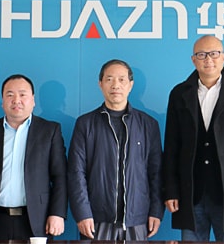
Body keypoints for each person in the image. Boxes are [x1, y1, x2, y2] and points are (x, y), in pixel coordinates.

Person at [162, 35, 224, 241]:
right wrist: (170, 190)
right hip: (191, 193)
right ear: (193, 60)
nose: (208, 59)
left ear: (223, 57)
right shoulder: (179, 93)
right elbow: (172, 146)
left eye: (214, 54)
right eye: (201, 55)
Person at [68, 59, 163, 240]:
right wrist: (82, 213)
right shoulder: (85, 124)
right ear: (100, 84)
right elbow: (76, 172)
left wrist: (156, 211)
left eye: (121, 79)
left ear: (130, 85)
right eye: (109, 79)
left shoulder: (148, 125)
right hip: (96, 219)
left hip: (138, 219)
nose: (115, 85)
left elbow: (156, 173)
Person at [0, 74, 67, 240]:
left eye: (22, 94)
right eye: (10, 95)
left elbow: (60, 176)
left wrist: (57, 213)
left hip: (37, 220)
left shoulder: (50, 131)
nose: (16, 100)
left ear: (33, 100)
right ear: (2, 101)